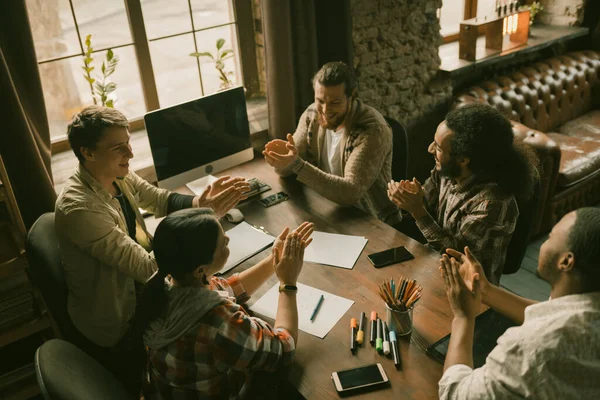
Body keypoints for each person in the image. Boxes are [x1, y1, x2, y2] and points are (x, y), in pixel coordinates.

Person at [54, 106, 249, 394]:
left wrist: (199, 204)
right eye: (119, 148)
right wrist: (204, 223)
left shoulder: (114, 173)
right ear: (88, 153)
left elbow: (156, 198)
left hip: (146, 293)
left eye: (129, 143)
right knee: (221, 334)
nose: (130, 154)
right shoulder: (79, 208)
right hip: (122, 325)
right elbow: (146, 268)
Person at [131, 208, 314, 399]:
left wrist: (274, 260)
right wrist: (288, 283)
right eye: (222, 243)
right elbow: (284, 348)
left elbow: (229, 287)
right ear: (201, 270)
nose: (228, 240)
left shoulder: (165, 284)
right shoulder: (218, 322)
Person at [438, 207, 600, 399]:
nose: (544, 242)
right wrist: (486, 291)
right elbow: (551, 315)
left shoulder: (533, 346)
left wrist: (463, 317)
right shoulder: (586, 309)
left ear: (566, 261)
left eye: (549, 237)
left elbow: (455, 393)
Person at [388, 103, 537, 284]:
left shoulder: (492, 203)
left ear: (463, 159)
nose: (430, 149)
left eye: (438, 148)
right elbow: (427, 207)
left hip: (470, 290)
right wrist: (408, 198)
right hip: (433, 267)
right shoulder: (447, 171)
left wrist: (417, 210)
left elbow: (457, 257)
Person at [262, 61, 401, 224]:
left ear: (352, 96)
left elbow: (350, 193)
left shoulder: (373, 131)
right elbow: (289, 168)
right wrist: (281, 161)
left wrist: (296, 164)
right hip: (328, 209)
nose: (326, 110)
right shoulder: (312, 114)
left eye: (335, 102)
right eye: (320, 101)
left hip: (371, 220)